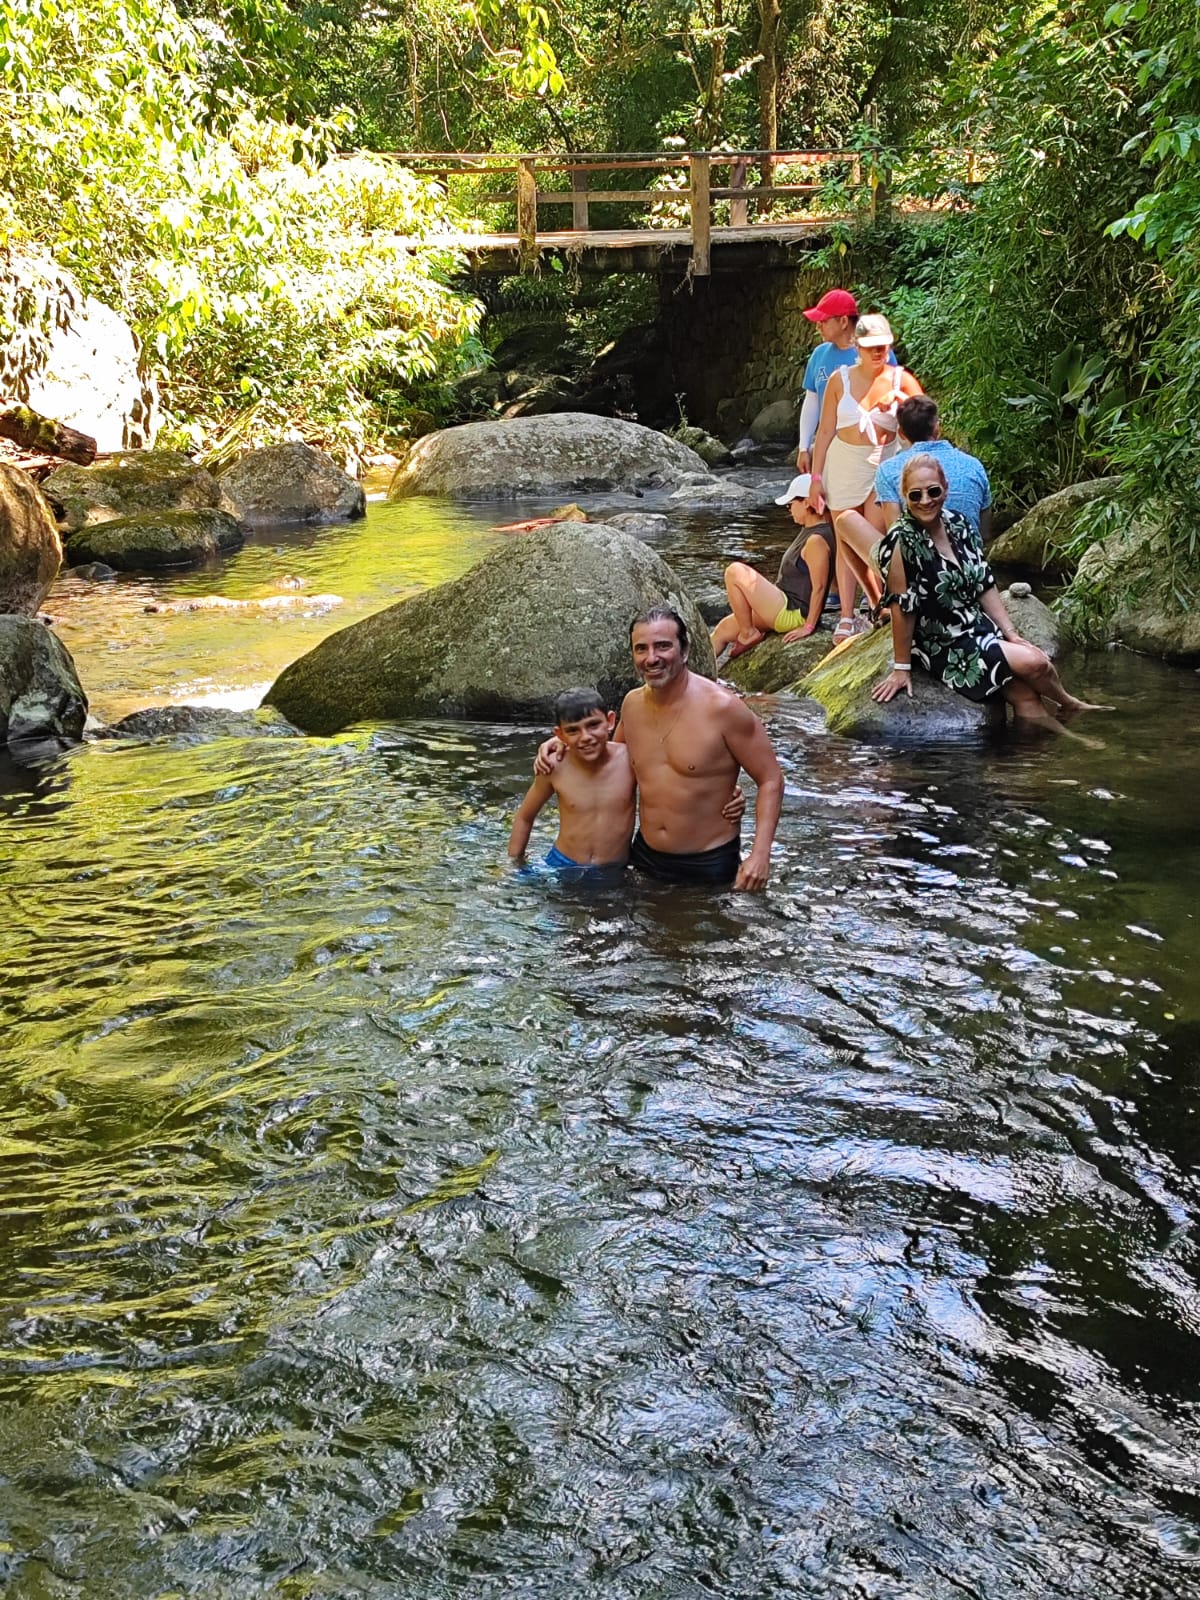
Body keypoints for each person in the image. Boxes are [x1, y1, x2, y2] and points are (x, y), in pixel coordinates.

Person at [537, 607, 783, 891]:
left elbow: (770, 779)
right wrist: (564, 745)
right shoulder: (632, 705)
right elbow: (610, 762)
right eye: (641, 649)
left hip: (707, 860)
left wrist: (760, 855)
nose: (651, 658)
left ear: (685, 650)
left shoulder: (723, 709)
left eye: (663, 646)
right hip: (645, 855)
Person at [870, 454, 1111, 727]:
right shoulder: (901, 542)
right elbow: (902, 608)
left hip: (976, 627)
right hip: (944, 644)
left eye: (933, 491)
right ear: (905, 497)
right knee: (1036, 663)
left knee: (1026, 697)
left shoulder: (959, 524)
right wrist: (901, 668)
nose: (925, 500)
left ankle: (1067, 741)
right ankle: (1069, 703)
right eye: (916, 495)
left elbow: (983, 582)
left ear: (945, 489)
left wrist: (1011, 633)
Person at [810, 313, 923, 643]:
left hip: (884, 465)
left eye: (883, 346)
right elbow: (825, 430)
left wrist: (901, 404)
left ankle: (883, 603)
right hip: (843, 463)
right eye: (871, 346)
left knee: (876, 536)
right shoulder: (839, 380)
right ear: (856, 346)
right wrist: (815, 478)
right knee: (845, 537)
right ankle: (847, 614)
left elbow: (925, 423)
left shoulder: (902, 380)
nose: (877, 352)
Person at [508, 687, 634, 883]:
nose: (586, 737)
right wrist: (514, 863)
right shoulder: (554, 766)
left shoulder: (630, 760)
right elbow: (525, 817)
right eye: (573, 730)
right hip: (562, 864)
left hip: (613, 868)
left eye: (593, 725)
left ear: (610, 721)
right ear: (560, 734)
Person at [710, 473, 835, 661]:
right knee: (722, 630)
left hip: (792, 612)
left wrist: (808, 626)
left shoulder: (816, 540)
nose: (789, 511)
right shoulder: (810, 531)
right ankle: (690, 676)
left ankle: (748, 634)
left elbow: (820, 587)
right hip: (783, 605)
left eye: (790, 505)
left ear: (806, 502)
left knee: (735, 571)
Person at [795, 290, 896, 473]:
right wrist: (804, 447)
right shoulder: (818, 355)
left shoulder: (876, 354)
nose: (818, 326)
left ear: (843, 322)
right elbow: (812, 402)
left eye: (823, 321)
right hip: (829, 448)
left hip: (869, 451)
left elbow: (893, 399)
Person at [872, 395, 992, 538]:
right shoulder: (974, 465)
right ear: (937, 428)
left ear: (901, 433)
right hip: (970, 550)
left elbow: (896, 535)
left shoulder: (888, 470)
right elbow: (985, 532)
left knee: (849, 519)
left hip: (915, 550)